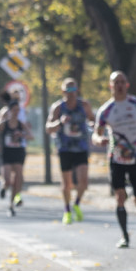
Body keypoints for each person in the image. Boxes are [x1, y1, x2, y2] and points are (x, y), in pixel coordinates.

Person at [93, 71, 136, 248]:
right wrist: (99, 140)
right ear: (110, 86)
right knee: (119, 197)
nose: (119, 85)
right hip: (116, 158)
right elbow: (96, 134)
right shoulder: (106, 110)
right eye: (116, 82)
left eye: (122, 82)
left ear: (127, 85)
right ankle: (124, 236)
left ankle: (134, 193)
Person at [46, 78, 96, 224]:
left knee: (84, 182)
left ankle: (77, 204)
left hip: (81, 147)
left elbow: (93, 120)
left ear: (77, 90)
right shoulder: (58, 108)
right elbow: (48, 128)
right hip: (65, 148)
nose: (71, 93)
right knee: (67, 184)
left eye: (73, 90)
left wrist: (93, 125)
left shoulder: (84, 105)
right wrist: (60, 122)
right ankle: (67, 210)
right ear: (63, 92)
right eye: (68, 90)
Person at [0, 93, 33, 216]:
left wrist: (22, 135)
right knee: (8, 180)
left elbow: (31, 136)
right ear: (10, 110)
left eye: (17, 110)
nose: (16, 112)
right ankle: (3, 186)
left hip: (18, 152)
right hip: (6, 153)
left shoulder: (21, 123)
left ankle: (11, 204)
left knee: (18, 178)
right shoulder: (3, 122)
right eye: (14, 110)